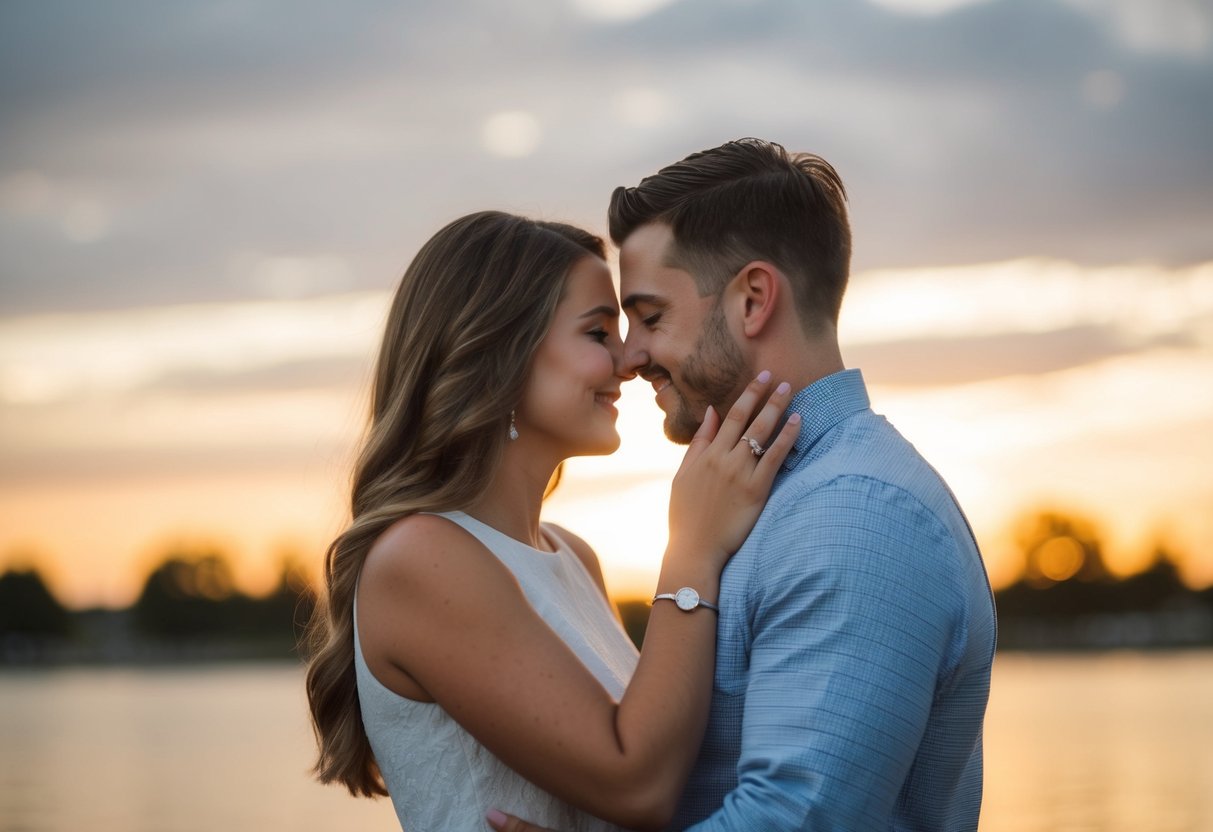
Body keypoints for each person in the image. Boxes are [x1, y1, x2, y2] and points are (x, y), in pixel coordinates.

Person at [490, 139, 997, 832]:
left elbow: (795, 820)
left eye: (652, 316)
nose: (629, 356)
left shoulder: (854, 516)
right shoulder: (758, 500)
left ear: (753, 299)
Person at [304, 210, 802, 831]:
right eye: (597, 333)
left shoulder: (573, 557)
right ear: (500, 355)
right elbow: (639, 783)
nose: (628, 360)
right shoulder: (421, 557)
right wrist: (693, 550)